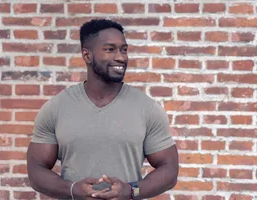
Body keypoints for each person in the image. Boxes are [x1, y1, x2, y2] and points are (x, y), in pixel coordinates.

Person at [27, 18, 179, 200]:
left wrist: (131, 191)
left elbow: (169, 168)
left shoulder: (147, 108)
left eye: (124, 50)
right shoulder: (56, 108)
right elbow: (36, 170)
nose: (121, 57)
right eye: (110, 49)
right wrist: (72, 189)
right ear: (87, 55)